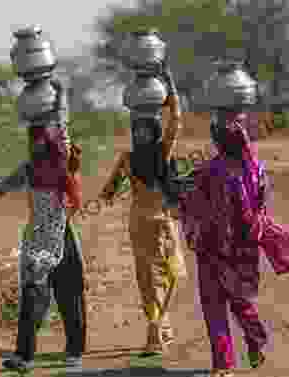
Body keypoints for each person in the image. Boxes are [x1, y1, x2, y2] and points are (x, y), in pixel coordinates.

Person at [0, 25, 87, 372]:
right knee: (62, 287)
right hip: (46, 229)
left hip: (53, 227)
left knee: (46, 288)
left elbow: (62, 128)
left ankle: (42, 355)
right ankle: (47, 354)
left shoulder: (57, 154)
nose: (37, 140)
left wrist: (60, 93)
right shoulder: (32, 166)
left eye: (41, 136)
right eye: (35, 136)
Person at [178, 113, 289, 377]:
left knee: (214, 305)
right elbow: (258, 207)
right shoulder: (256, 169)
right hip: (244, 248)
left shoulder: (209, 171)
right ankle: (257, 341)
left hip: (212, 248)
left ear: (217, 141)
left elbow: (183, 195)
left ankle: (223, 365)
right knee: (241, 300)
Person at [99, 29, 188, 357]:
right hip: (161, 220)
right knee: (173, 272)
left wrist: (112, 190)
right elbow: (176, 122)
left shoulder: (128, 157)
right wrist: (170, 83)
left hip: (137, 222)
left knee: (146, 277)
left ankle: (157, 327)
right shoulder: (161, 153)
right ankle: (157, 328)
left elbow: (108, 194)